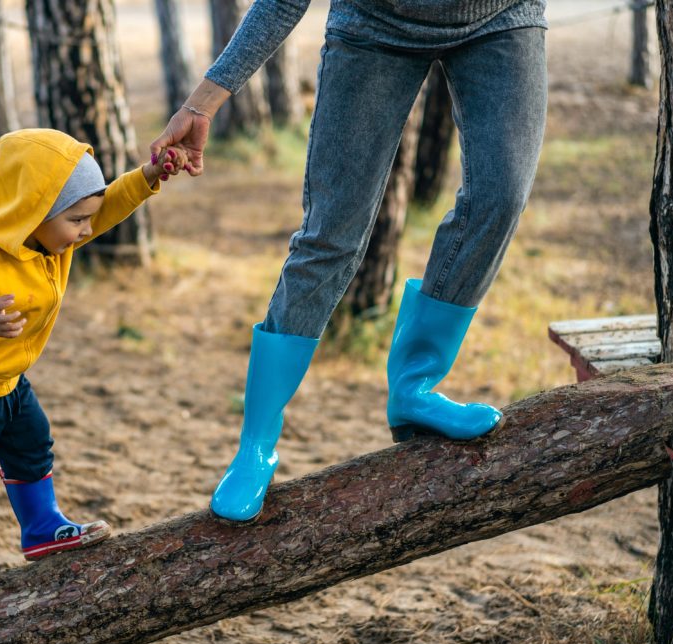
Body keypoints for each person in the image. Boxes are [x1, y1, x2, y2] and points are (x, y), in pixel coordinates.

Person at [151, 1, 548, 522]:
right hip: (374, 25)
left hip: (503, 16)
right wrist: (203, 103)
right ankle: (256, 447)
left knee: (499, 200)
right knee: (330, 238)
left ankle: (415, 387)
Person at [0, 128, 189, 606]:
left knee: (33, 446)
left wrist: (149, 175)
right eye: (76, 219)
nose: (86, 230)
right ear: (33, 212)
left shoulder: (56, 240)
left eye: (86, 219)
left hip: (7, 381)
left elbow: (107, 207)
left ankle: (41, 528)